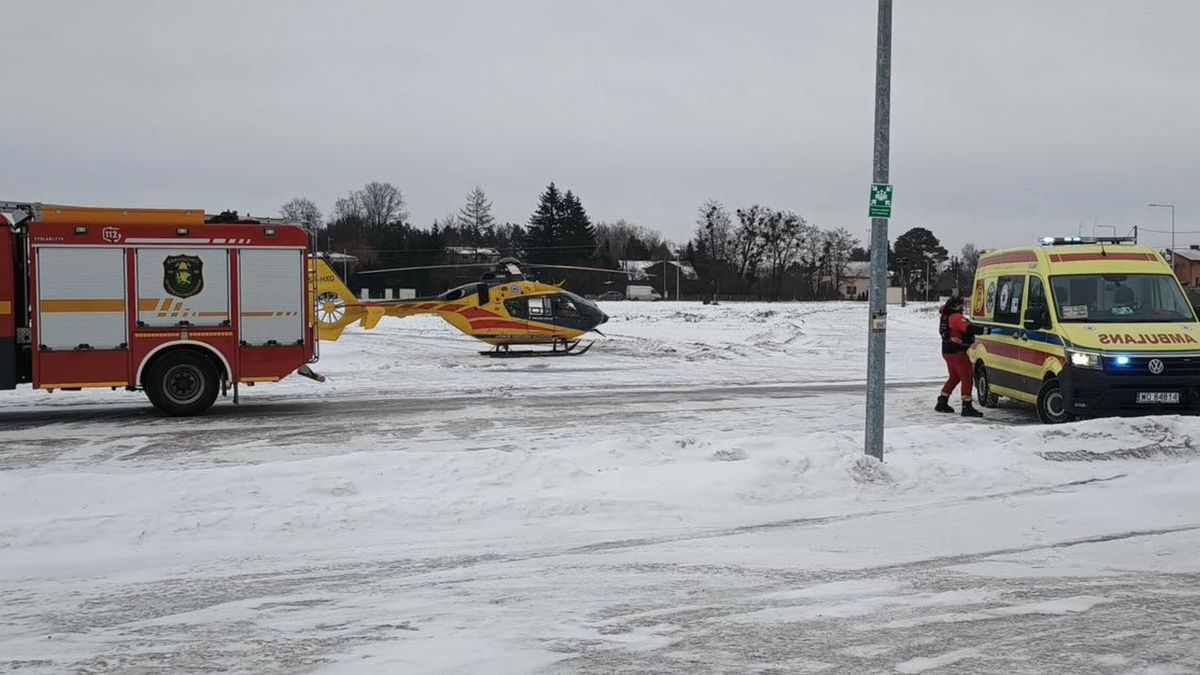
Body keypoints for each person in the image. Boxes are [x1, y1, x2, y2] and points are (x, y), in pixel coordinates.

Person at [937, 296, 983, 418]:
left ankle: (942, 400)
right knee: (967, 377)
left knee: (954, 377)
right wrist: (986, 330)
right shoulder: (956, 318)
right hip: (958, 352)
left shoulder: (945, 317)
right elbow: (968, 328)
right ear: (957, 306)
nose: (963, 307)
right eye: (962, 305)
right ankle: (966, 406)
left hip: (947, 351)